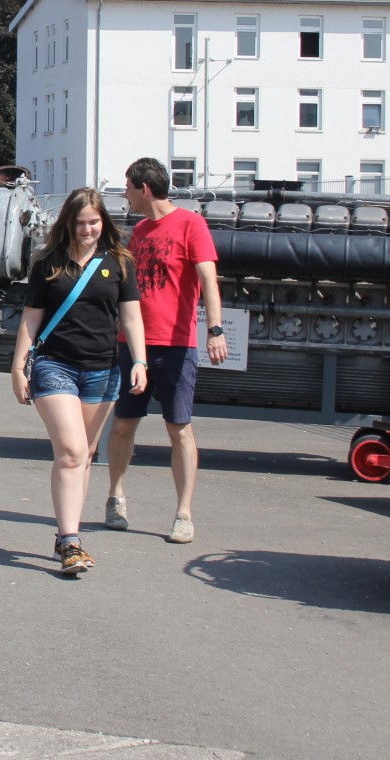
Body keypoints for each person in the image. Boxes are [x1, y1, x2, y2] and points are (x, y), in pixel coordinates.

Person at [11, 187, 146, 575]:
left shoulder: (119, 262)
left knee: (85, 455)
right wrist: (19, 367)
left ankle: (65, 537)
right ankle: (71, 540)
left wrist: (139, 361)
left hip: (103, 370)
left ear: (103, 223)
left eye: (94, 222)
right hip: (56, 365)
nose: (87, 229)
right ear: (67, 223)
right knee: (70, 452)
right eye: (80, 222)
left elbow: (132, 317)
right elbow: (31, 318)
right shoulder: (48, 264)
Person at [105, 158, 229, 544]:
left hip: (176, 345)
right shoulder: (139, 231)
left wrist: (215, 330)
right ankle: (116, 497)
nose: (124, 195)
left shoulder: (191, 224)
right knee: (123, 423)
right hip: (133, 343)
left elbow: (208, 277)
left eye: (127, 187)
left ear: (144, 188)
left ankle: (183, 514)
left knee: (179, 429)